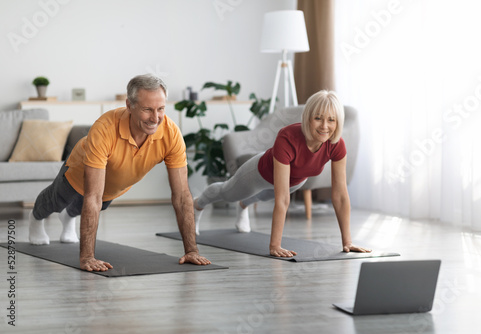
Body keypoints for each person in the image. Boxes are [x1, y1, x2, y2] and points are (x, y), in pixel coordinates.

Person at [29, 74, 211, 271]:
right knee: (57, 201)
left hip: (113, 185)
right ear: (129, 105)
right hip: (79, 170)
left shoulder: (171, 134)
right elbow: (92, 195)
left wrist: (191, 250)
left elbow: (182, 196)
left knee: (91, 207)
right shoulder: (105, 128)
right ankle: (36, 219)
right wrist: (87, 257)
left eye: (160, 109)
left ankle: (68, 218)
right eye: (147, 110)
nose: (155, 118)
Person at [193, 90, 371, 258]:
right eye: (318, 118)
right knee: (228, 193)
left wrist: (347, 242)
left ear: (338, 122)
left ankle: (243, 206)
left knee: (261, 197)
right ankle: (197, 204)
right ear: (308, 118)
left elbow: (340, 195)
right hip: (259, 172)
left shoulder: (336, 144)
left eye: (331, 120)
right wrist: (274, 245)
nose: (325, 126)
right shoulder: (288, 137)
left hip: (296, 180)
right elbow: (283, 198)